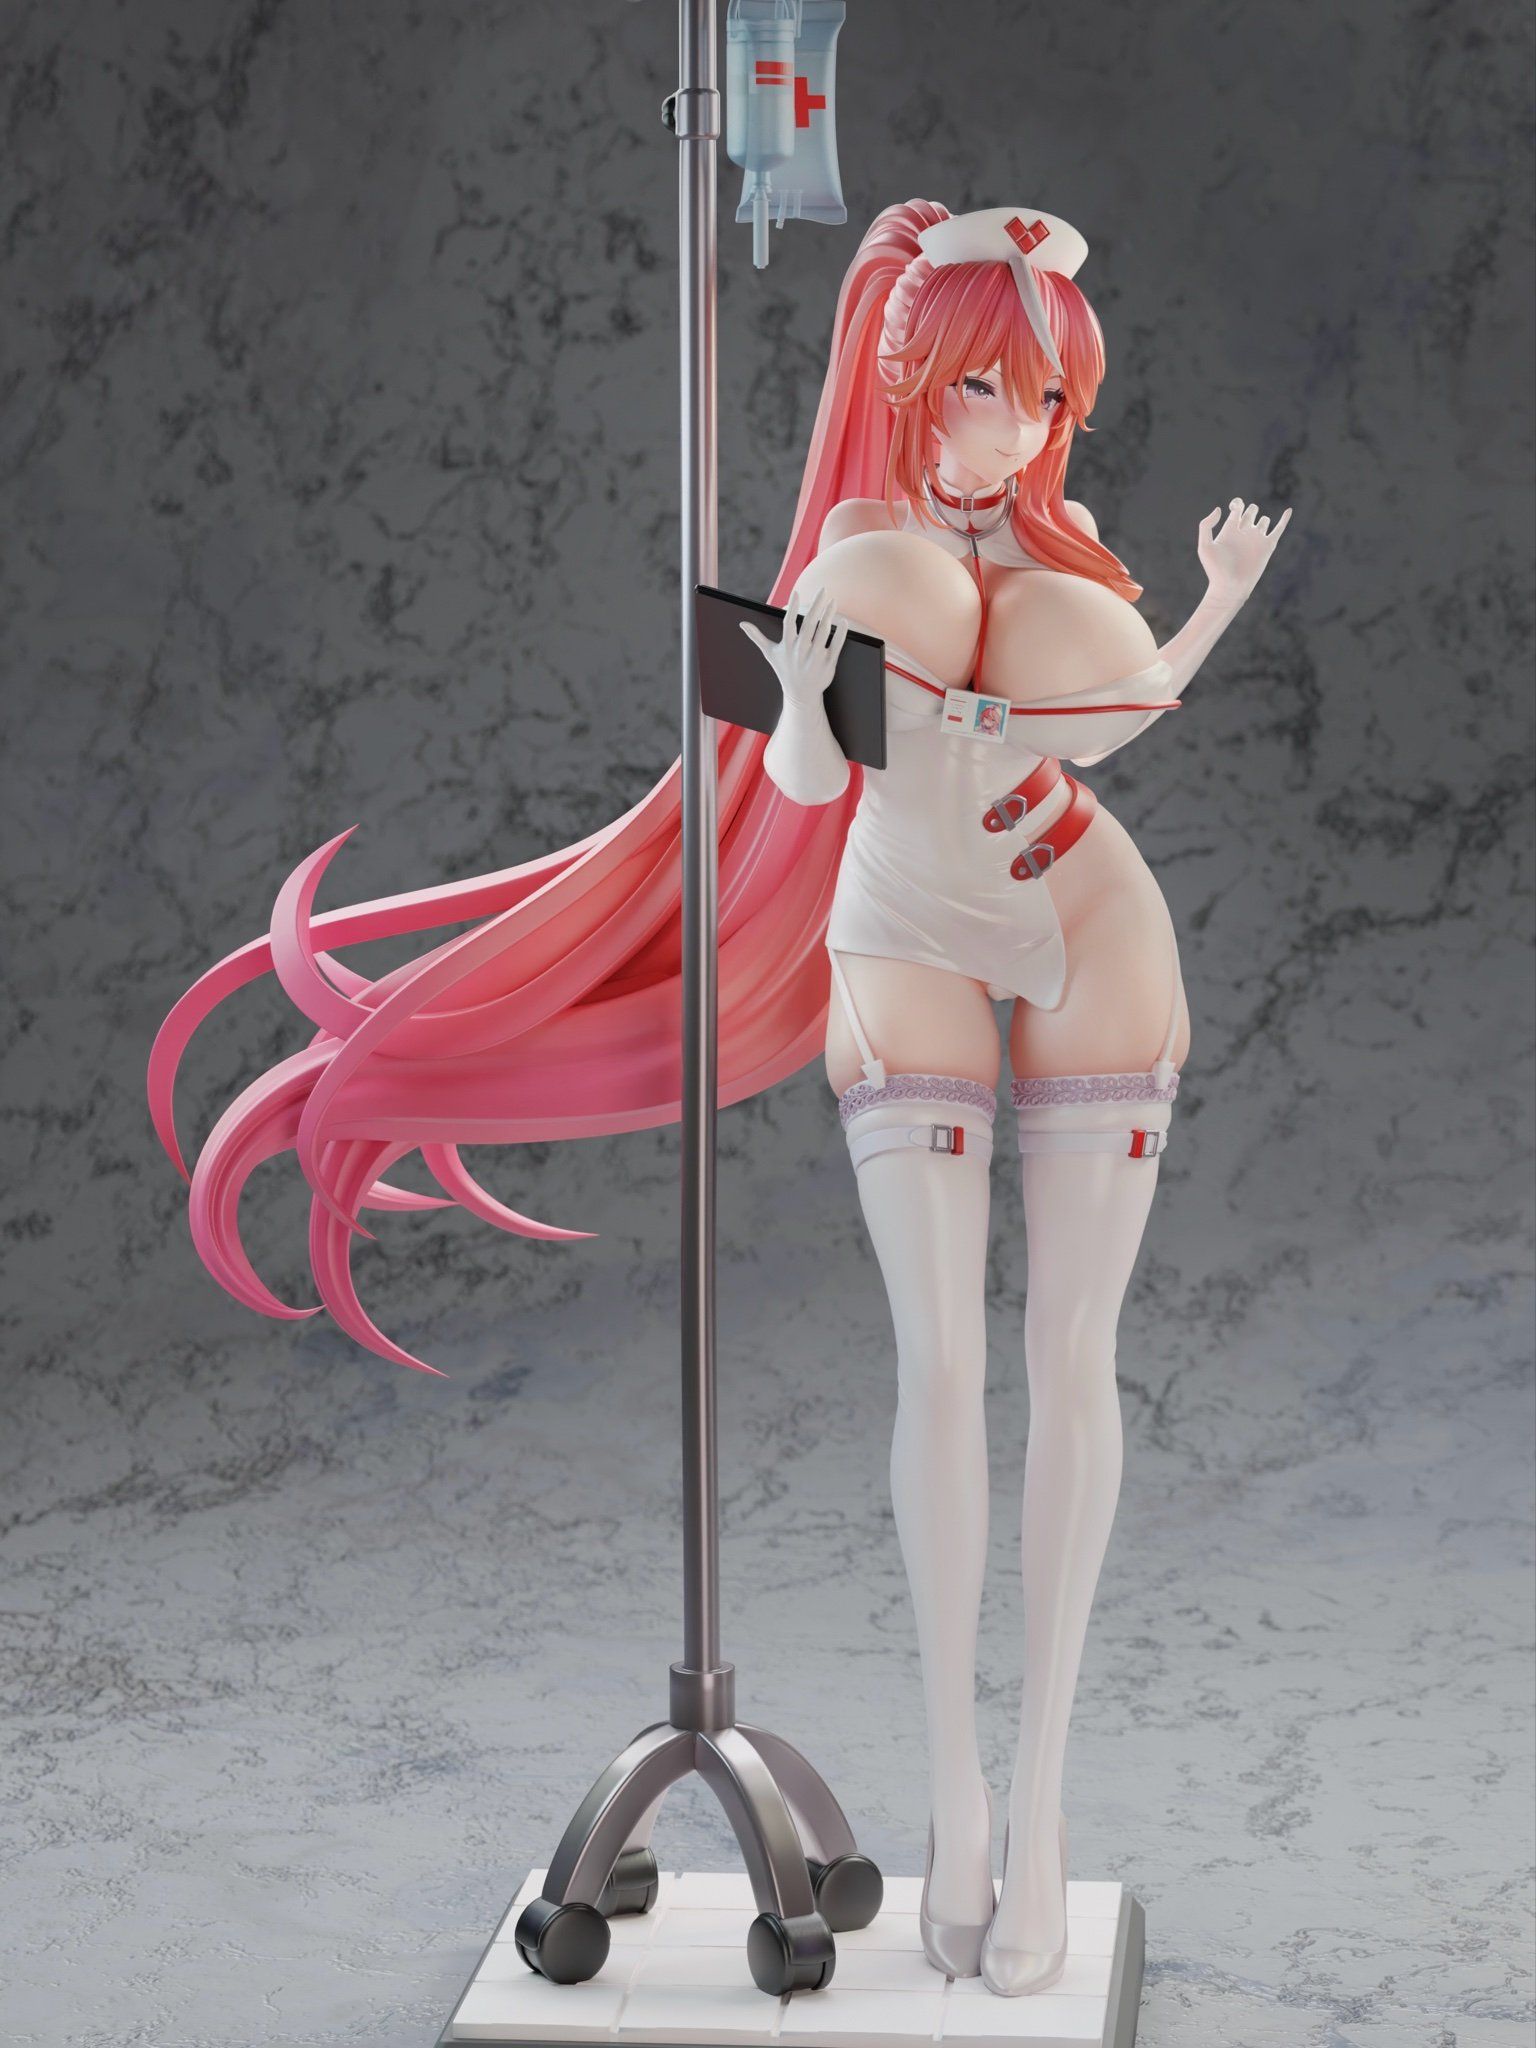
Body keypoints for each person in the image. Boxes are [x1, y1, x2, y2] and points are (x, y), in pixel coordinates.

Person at [147, 196, 1289, 1999]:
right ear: (909, 378)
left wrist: (1216, 596)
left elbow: (1126, 708)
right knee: (940, 1364)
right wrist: (817, 703)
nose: (1008, 430)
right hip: (901, 932)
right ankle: (958, 1795)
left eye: (1041, 400)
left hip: (1093, 919)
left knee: (1073, 1356)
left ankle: (1047, 1794)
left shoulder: (1054, 560)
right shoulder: (852, 550)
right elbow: (816, 786)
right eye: (978, 387)